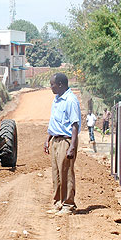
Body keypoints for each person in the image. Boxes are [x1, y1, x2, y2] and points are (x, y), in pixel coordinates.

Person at [44, 73, 81, 216]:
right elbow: (55, 122)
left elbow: (75, 125)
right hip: (55, 140)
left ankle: (68, 204)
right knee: (56, 173)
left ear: (60, 84)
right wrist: (47, 139)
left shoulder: (71, 100)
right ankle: (58, 202)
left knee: (66, 172)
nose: (50, 87)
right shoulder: (57, 100)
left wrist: (72, 146)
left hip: (66, 141)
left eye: (52, 84)